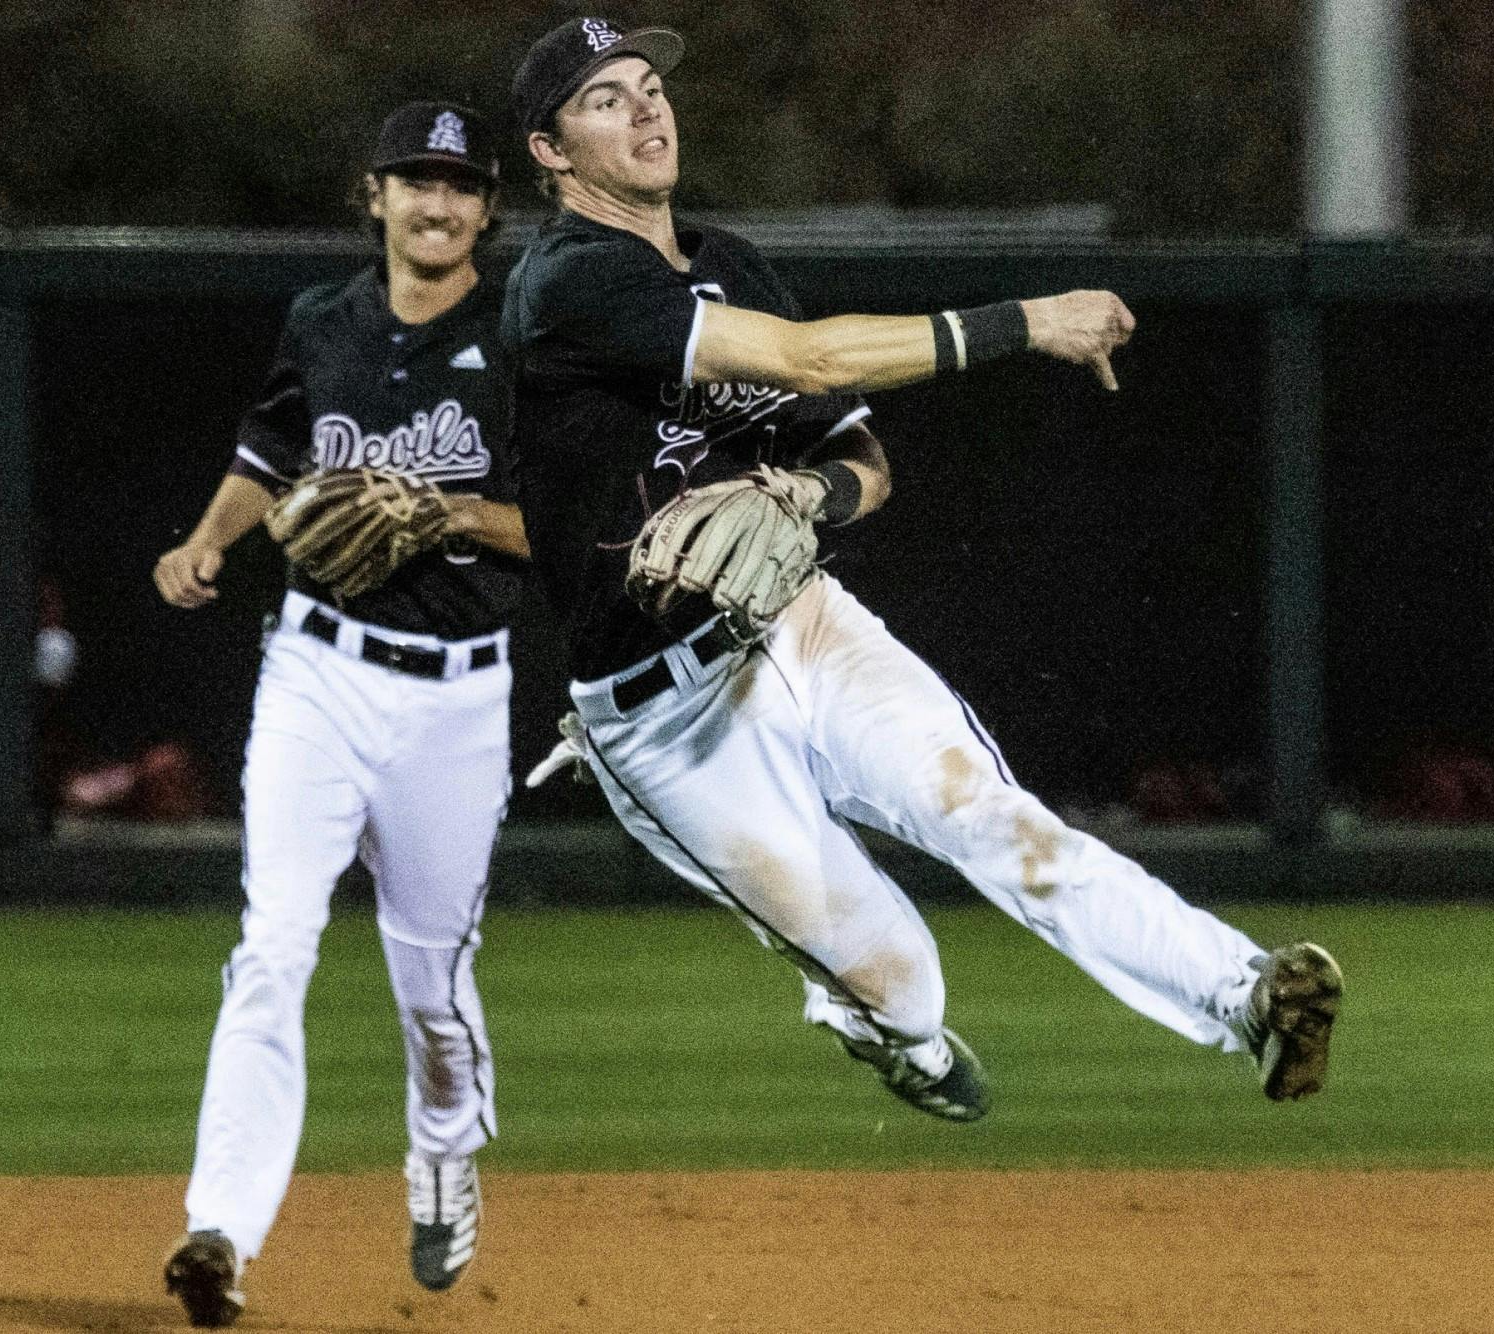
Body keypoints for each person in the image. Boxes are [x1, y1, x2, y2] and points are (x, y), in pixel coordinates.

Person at [503, 18, 1342, 1128]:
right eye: (604, 98)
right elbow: (812, 357)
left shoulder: (729, 263)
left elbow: (860, 458)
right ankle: (884, 1030)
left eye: (650, 86)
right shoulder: (567, 284)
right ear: (549, 151)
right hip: (664, 714)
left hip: (800, 622)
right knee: (900, 970)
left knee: (992, 816)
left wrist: (808, 494)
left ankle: (1244, 995)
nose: (646, 108)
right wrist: (1024, 320)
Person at [152, 102, 527, 1328]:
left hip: (459, 693)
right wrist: (206, 540)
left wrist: (449, 514)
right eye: (416, 181)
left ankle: (442, 1146)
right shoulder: (321, 321)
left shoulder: (522, 336)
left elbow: (571, 523)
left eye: (459, 186)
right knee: (273, 944)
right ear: (374, 195)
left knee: (433, 986)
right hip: (316, 669)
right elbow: (268, 455)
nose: (437, 203)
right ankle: (220, 1227)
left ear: (486, 209)